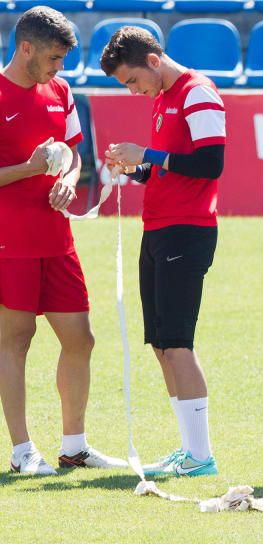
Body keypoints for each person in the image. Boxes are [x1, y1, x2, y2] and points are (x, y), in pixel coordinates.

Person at [0, 7, 126, 475]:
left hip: (57, 235)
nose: (60, 68)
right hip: (9, 239)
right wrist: (31, 170)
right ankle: (21, 451)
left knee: (81, 338)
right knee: (16, 339)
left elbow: (71, 151)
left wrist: (70, 178)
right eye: (54, 58)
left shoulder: (60, 91)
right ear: (26, 48)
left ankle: (74, 446)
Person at [100, 26, 226, 477]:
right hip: (157, 228)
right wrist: (136, 168)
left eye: (132, 80)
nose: (134, 91)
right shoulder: (163, 98)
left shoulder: (198, 93)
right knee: (160, 343)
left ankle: (201, 455)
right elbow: (166, 171)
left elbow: (212, 163)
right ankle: (189, 449)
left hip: (186, 231)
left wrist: (149, 153)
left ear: (153, 61)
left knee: (177, 343)